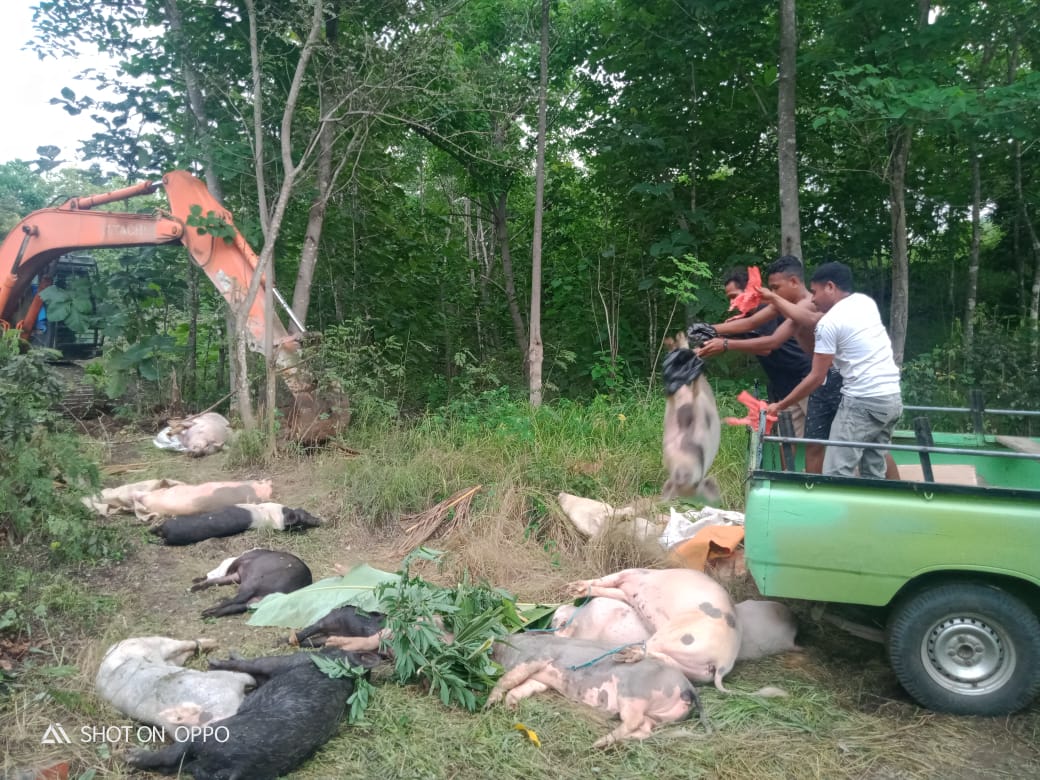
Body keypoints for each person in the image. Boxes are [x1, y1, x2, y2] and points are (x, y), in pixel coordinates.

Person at [762, 261, 902, 479]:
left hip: (862, 401)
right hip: (891, 398)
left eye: (816, 292)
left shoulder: (829, 323)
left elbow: (817, 377)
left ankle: (833, 514)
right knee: (873, 470)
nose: (814, 298)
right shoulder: (865, 303)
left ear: (830, 287)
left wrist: (781, 405)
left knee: (835, 473)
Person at [691, 264, 811, 436]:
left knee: (821, 441)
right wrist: (699, 349)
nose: (732, 303)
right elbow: (739, 334)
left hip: (805, 381)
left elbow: (766, 347)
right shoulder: (748, 317)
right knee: (787, 443)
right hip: (786, 388)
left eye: (735, 297)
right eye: (729, 299)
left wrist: (722, 342)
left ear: (751, 290)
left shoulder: (766, 308)